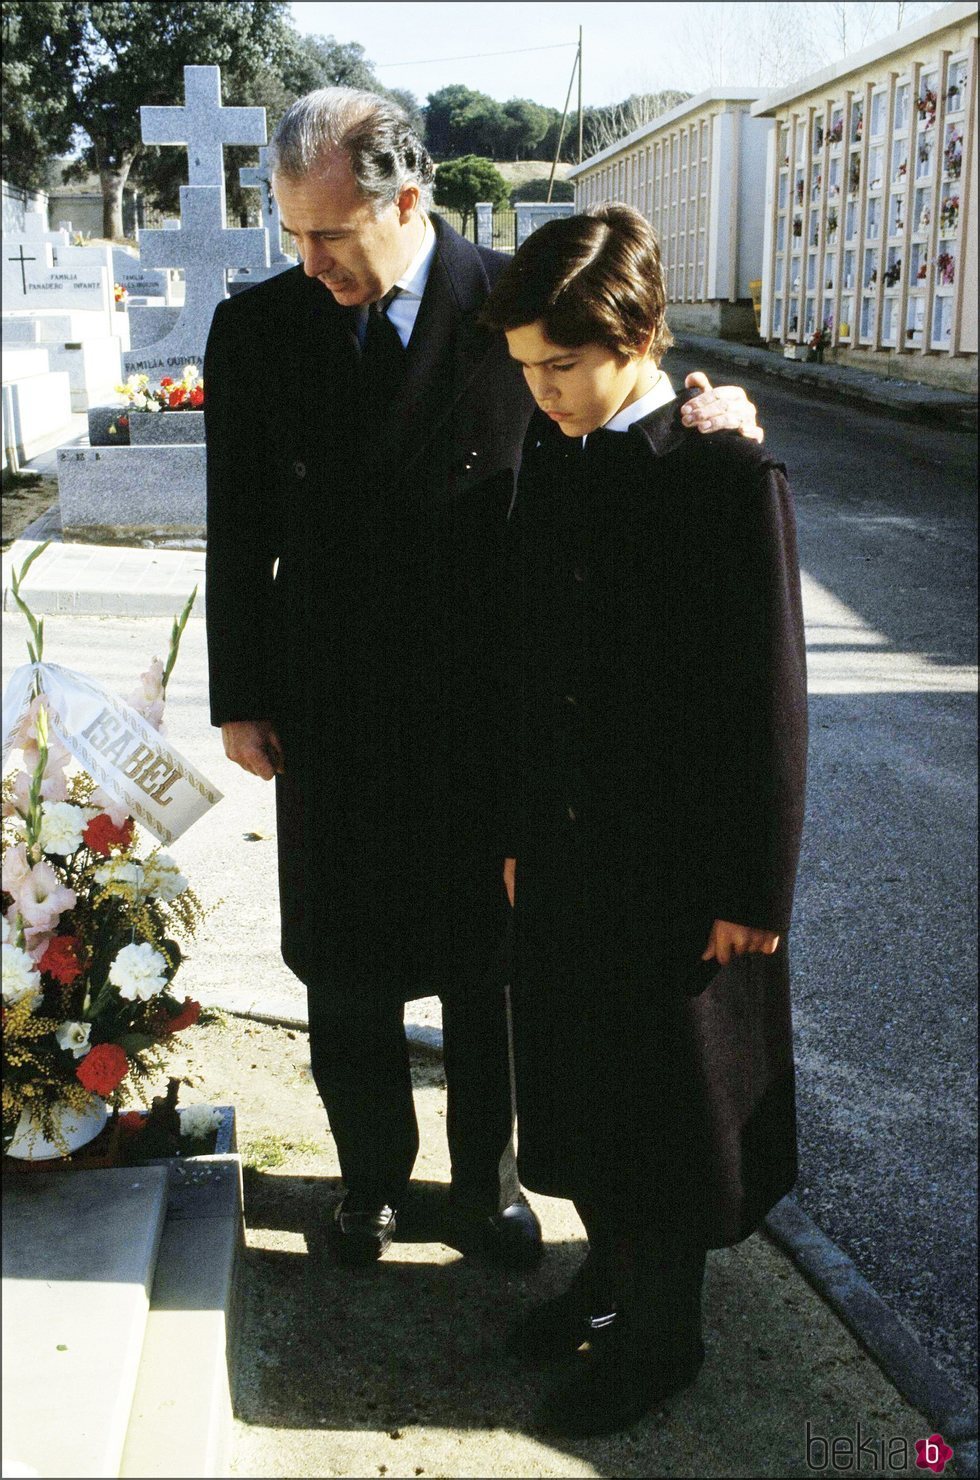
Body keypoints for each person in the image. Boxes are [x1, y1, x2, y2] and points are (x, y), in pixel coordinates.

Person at [203, 88, 767, 1272]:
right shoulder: (258, 327)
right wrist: (241, 692)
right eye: (291, 234)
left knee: (486, 966)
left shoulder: (508, 304)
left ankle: (486, 1182)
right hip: (331, 705)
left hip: (488, 702)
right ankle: (369, 1179)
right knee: (344, 963)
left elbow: (625, 386)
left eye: (332, 237)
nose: (308, 263)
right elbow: (234, 524)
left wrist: (716, 415)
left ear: (407, 199)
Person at [481, 204, 807, 1434]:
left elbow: (770, 697)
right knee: (577, 1086)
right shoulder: (555, 453)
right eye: (524, 369)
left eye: (560, 365)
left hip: (679, 869)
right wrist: (516, 826)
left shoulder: (722, 467)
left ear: (629, 334)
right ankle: (608, 1275)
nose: (542, 391)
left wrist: (750, 892)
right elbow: (526, 661)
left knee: (667, 1110)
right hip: (565, 847)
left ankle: (663, 1332)